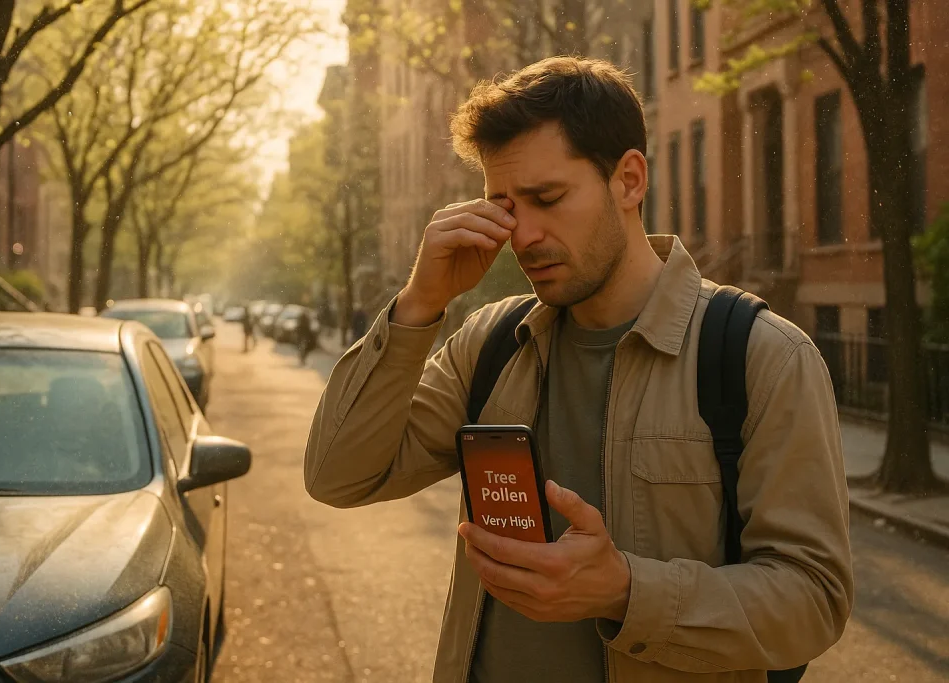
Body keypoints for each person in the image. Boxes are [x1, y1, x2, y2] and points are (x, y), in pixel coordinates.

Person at [303, 57, 852, 683]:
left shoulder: (763, 356)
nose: (523, 235)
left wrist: (626, 592)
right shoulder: (490, 345)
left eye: (548, 198)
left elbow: (815, 600)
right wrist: (418, 304)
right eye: (504, 207)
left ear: (629, 181)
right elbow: (337, 476)